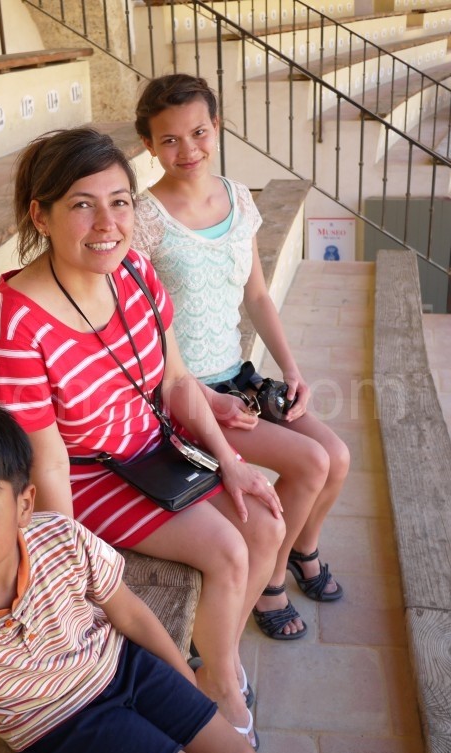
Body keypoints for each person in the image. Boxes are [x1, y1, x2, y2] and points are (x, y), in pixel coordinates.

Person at [0, 127, 285, 748]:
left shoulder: (136, 270)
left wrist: (229, 463)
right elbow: (48, 463)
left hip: (155, 450)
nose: (106, 223)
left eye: (119, 202)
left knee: (267, 525)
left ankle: (210, 652)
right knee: (228, 551)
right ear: (41, 214)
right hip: (88, 475)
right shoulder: (13, 320)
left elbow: (174, 381)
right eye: (82, 204)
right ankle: (221, 687)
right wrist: (68, 566)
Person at [0, 402, 258, 753]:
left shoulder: (61, 538)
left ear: (24, 504)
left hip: (125, 665)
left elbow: (131, 616)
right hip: (59, 725)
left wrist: (185, 681)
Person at [131, 74, 351, 642]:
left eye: (198, 132)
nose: (188, 150)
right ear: (150, 145)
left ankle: (303, 549)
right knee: (309, 464)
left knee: (337, 455)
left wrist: (293, 371)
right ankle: (272, 578)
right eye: (170, 139)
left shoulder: (237, 196)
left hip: (240, 377)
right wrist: (200, 397)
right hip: (183, 394)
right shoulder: (144, 219)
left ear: (217, 127)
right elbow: (139, 327)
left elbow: (256, 296)